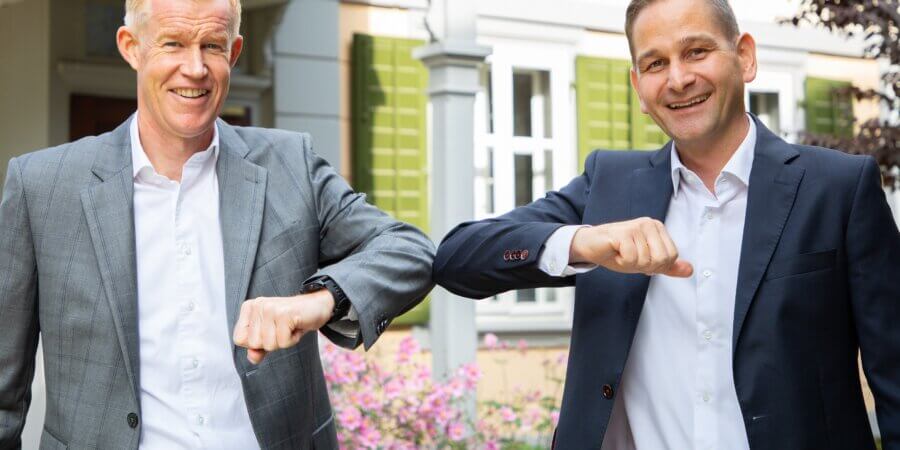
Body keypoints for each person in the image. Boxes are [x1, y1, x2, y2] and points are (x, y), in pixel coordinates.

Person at [433, 0, 900, 448]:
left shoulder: (838, 188)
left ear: (745, 57)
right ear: (638, 87)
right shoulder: (608, 185)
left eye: (696, 51)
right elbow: (457, 258)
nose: (678, 79)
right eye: (655, 64)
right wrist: (584, 241)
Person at [0, 0, 434, 448]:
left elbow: (410, 250)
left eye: (212, 46)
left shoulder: (292, 165)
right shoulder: (41, 187)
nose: (195, 68)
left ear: (234, 52)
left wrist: (320, 300)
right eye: (173, 44)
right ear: (131, 47)